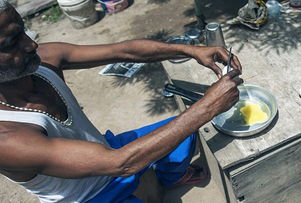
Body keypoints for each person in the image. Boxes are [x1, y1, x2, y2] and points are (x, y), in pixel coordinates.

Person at [0, 1, 243, 202]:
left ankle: (170, 177)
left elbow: (126, 51)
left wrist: (190, 50)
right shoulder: (7, 140)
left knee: (185, 131)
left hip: (107, 150)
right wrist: (208, 107)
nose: (31, 45)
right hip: (92, 194)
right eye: (11, 43)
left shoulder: (42, 60)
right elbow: (121, 163)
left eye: (23, 31)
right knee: (190, 120)